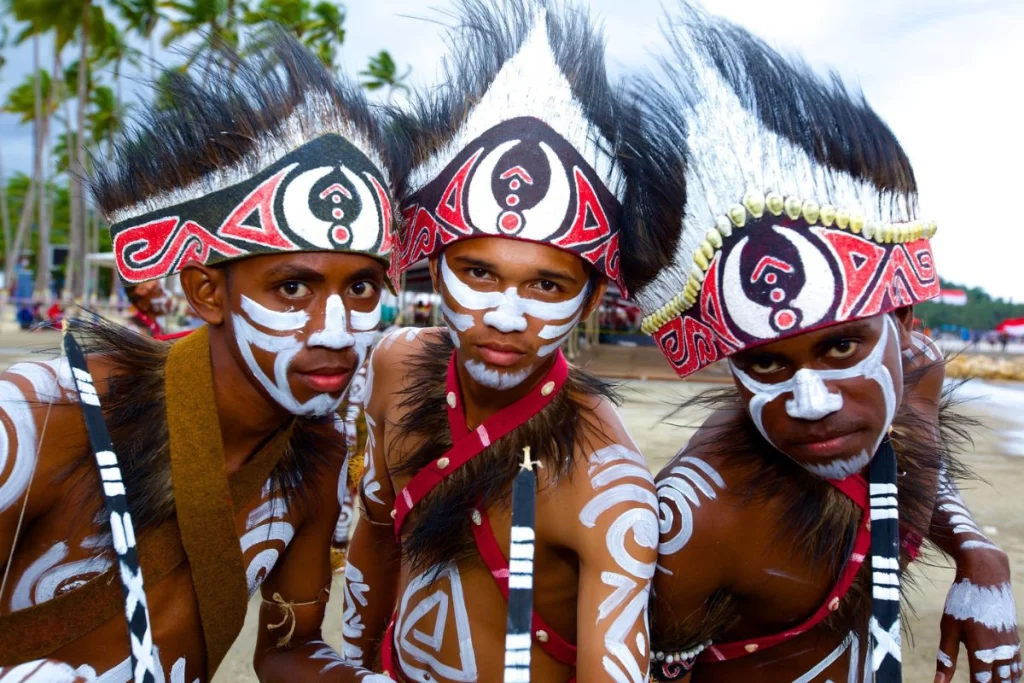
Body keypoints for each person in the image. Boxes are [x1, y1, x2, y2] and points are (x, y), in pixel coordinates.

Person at [622, 8, 1021, 683]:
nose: (810, 401)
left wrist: (979, 554)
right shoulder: (696, 518)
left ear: (904, 321)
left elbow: (925, 458)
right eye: (765, 361)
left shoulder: (918, 373)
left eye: (841, 348)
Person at [0, 33, 396, 682]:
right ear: (207, 293)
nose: (336, 330)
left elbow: (290, 649)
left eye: (361, 288)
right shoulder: (45, 412)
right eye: (292, 287)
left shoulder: (319, 457)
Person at [337, 2, 681, 681]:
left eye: (547, 285)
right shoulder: (393, 363)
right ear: (436, 264)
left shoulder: (608, 486)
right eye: (479, 273)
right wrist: (352, 665)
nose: (503, 314)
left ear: (591, 298)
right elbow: (374, 534)